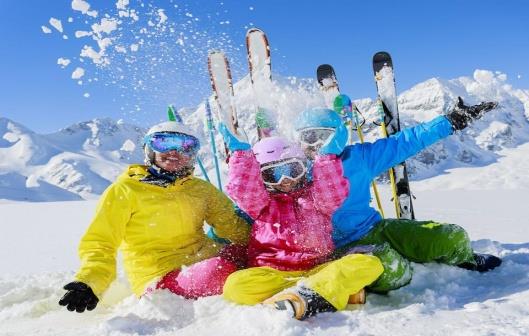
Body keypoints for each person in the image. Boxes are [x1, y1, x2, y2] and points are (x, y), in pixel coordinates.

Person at [292, 97, 502, 298]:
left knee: (451, 236)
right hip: (338, 249)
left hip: (375, 229)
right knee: (393, 268)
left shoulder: (359, 157)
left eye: (317, 136)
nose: (310, 144)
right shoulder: (293, 171)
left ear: (336, 135)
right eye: (304, 137)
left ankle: (465, 260)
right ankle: (353, 280)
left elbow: (406, 142)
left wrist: (452, 121)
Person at [58, 120, 250, 313]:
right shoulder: (125, 190)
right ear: (149, 150)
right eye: (164, 143)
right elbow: (101, 242)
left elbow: (231, 225)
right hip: (159, 276)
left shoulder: (200, 189)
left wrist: (269, 232)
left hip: (206, 258)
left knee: (251, 254)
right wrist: (90, 281)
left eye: (186, 147)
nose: (174, 152)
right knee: (218, 271)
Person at [217, 123, 385, 320]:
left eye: (292, 169)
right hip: (273, 274)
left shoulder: (316, 200)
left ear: (303, 168)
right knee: (235, 285)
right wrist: (242, 155)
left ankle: (302, 296)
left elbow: (332, 191)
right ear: (261, 178)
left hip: (318, 269)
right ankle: (327, 292)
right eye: (273, 175)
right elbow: (244, 191)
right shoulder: (262, 204)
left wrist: (327, 159)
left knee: (369, 263)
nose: (285, 180)